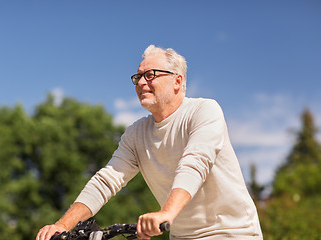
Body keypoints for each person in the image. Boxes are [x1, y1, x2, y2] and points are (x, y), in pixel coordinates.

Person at [36, 45, 263, 240]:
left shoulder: (204, 111)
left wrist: (166, 213)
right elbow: (106, 181)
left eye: (150, 75)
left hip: (232, 232)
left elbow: (195, 163)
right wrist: (62, 226)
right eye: (138, 77)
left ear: (177, 80)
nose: (141, 82)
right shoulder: (137, 133)